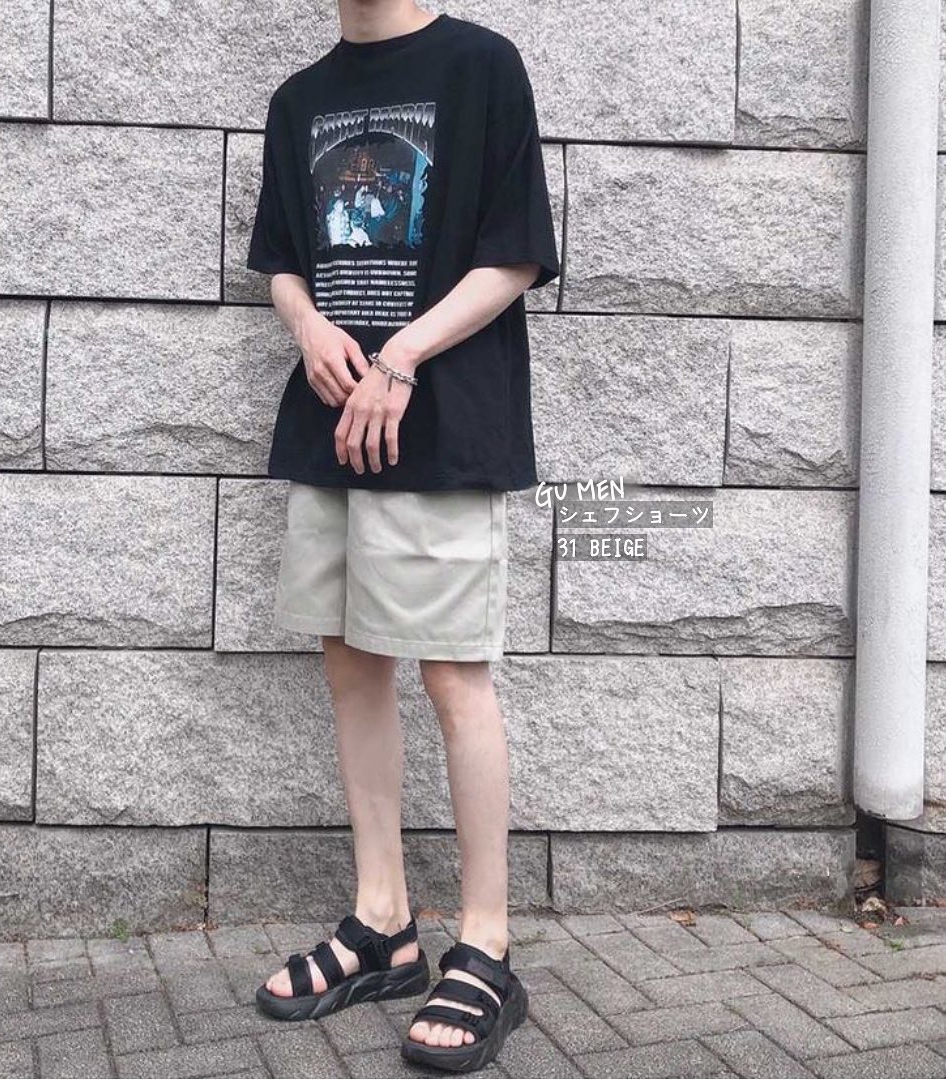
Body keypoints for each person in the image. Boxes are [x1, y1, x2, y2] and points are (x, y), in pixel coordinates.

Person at [245, 1, 559, 1071]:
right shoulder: (300, 98)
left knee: (454, 674)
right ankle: (383, 921)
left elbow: (515, 254)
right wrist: (307, 326)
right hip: (331, 424)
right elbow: (284, 257)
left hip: (443, 425)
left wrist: (401, 356)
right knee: (349, 663)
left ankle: (487, 945)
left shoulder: (481, 66)